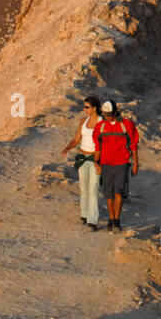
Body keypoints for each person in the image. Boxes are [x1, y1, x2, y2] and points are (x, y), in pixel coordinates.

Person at [92, 99, 139, 231]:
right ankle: (111, 219)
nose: (107, 117)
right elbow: (98, 146)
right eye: (105, 115)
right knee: (109, 194)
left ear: (116, 113)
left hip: (122, 163)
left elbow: (133, 145)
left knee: (118, 192)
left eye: (109, 115)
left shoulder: (127, 125)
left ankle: (116, 220)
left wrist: (135, 163)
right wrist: (96, 162)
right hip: (106, 163)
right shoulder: (100, 126)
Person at [61, 95, 103, 230]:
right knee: (84, 189)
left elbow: (105, 144)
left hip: (95, 159)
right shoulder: (83, 121)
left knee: (93, 190)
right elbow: (76, 139)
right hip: (82, 158)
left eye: (87, 107)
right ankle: (84, 215)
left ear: (94, 108)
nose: (84, 109)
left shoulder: (102, 124)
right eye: (84, 107)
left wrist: (99, 160)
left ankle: (93, 221)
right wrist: (67, 148)